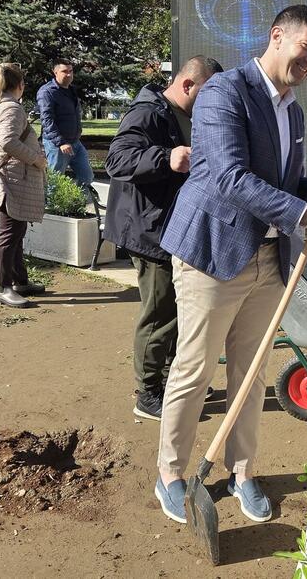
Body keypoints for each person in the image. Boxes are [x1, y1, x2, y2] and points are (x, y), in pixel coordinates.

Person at [154, 5, 307, 526]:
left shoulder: (293, 109)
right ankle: (171, 473)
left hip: (270, 257)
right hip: (213, 253)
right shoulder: (225, 92)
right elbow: (230, 178)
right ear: (277, 36)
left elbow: (283, 181)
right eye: (305, 47)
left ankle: (243, 471)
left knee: (252, 373)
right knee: (195, 370)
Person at [103, 55, 224, 421]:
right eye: (206, 95)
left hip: (166, 228)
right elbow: (117, 160)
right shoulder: (149, 113)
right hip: (148, 230)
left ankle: (170, 380)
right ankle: (148, 393)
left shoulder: (177, 113)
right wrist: (166, 157)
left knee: (173, 308)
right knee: (159, 313)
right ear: (188, 85)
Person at [0, 63, 48, 309]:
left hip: (3, 177)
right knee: (10, 234)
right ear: (19, 85)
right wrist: (36, 159)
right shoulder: (12, 108)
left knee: (15, 232)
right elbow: (7, 142)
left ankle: (19, 281)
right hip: (11, 180)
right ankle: (3, 287)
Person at [37, 58, 93, 187]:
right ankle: (53, 207)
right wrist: (61, 142)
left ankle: (75, 204)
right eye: (64, 71)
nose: (69, 74)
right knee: (55, 182)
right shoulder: (47, 92)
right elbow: (47, 120)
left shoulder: (71, 90)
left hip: (75, 143)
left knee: (87, 176)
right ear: (55, 72)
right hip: (57, 145)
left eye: (71, 71)